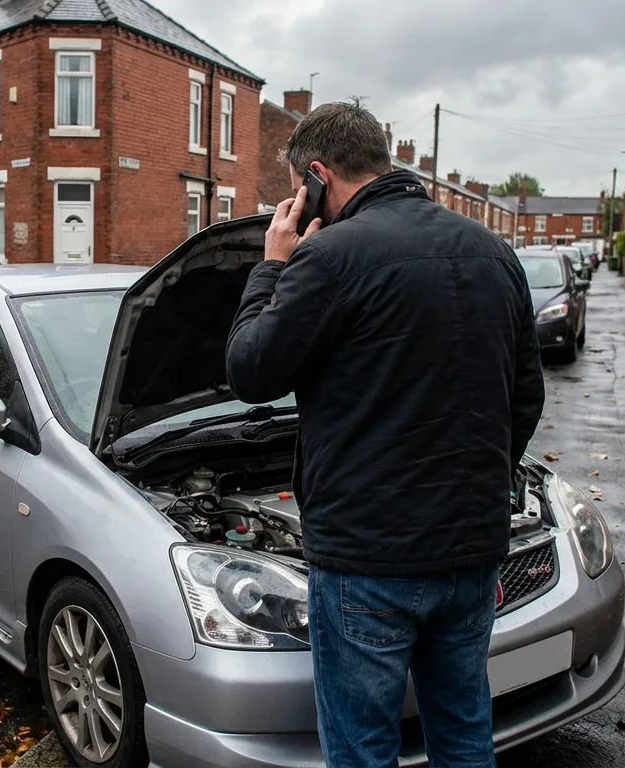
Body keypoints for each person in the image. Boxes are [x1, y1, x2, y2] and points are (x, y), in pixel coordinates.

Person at [225, 100, 545, 767]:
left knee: (363, 748)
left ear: (317, 176)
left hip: (369, 562)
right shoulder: (495, 253)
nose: (295, 204)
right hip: (469, 550)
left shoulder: (327, 257)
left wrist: (274, 265)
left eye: (296, 191)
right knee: (462, 732)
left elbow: (252, 369)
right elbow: (526, 398)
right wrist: (478, 486)